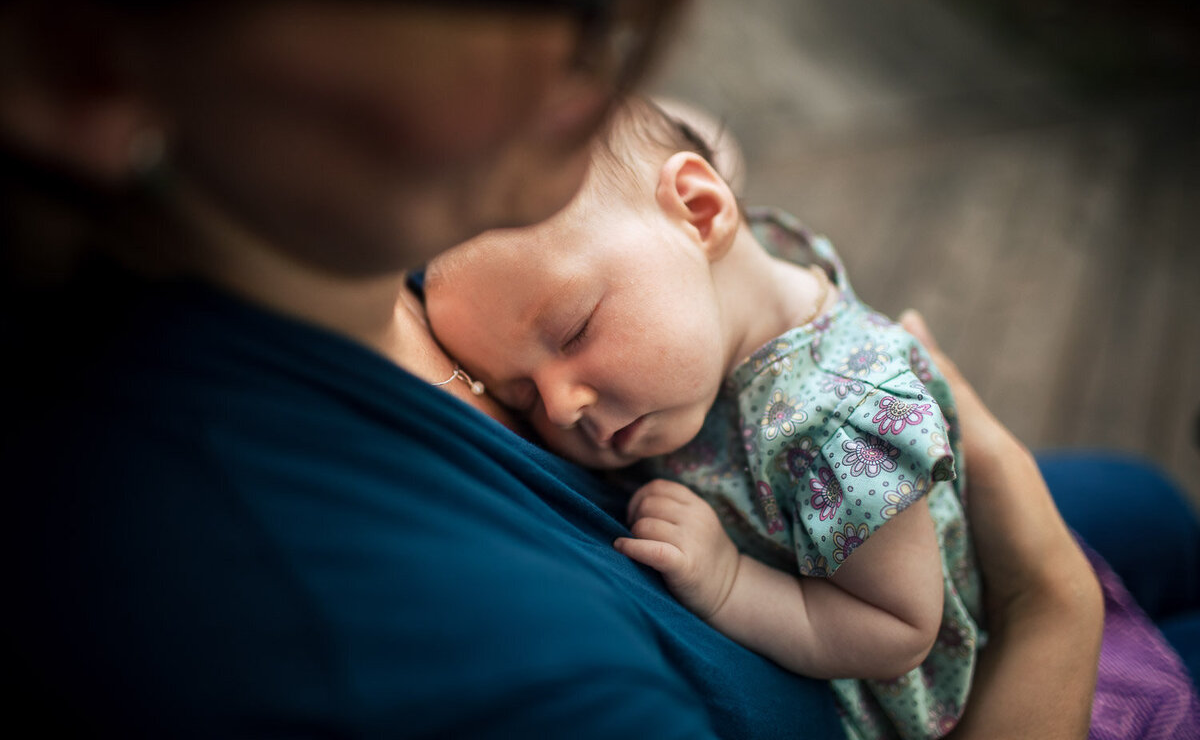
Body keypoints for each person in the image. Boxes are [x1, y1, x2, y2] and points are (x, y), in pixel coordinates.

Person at [0, 0, 1190, 737]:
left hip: (812, 535)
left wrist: (664, 238)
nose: (606, 42)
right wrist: (1048, 607)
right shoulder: (413, 658)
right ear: (86, 70)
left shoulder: (324, 211)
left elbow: (646, 174)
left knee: (1153, 505)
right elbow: (919, 624)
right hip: (913, 670)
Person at [422, 96, 1198, 739]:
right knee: (1154, 515)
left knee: (1156, 509)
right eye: (516, 393)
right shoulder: (729, 274)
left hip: (940, 700)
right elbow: (669, 156)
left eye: (574, 331)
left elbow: (897, 630)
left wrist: (727, 583)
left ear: (700, 209)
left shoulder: (836, 423)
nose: (559, 405)